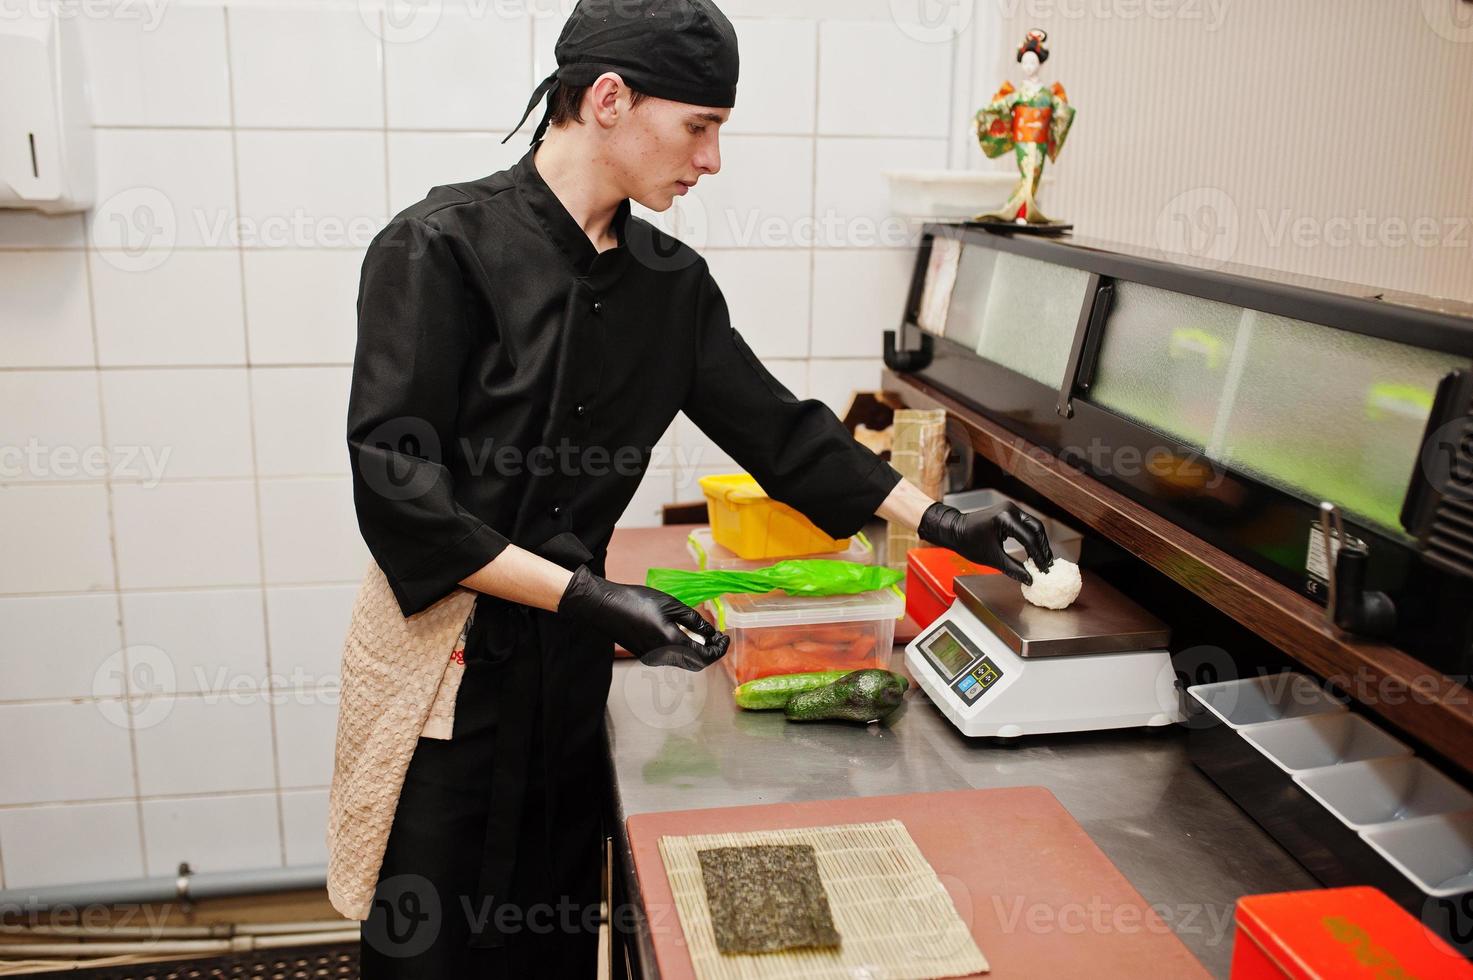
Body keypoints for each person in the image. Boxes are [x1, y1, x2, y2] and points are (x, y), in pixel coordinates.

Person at [345, 1, 1055, 975]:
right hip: (449, 663)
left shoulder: (667, 286)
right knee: (430, 944)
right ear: (608, 100)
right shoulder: (438, 250)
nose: (712, 160)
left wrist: (934, 514)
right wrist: (589, 593)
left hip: (569, 673)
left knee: (550, 937)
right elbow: (398, 494)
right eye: (698, 126)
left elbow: (782, 432)